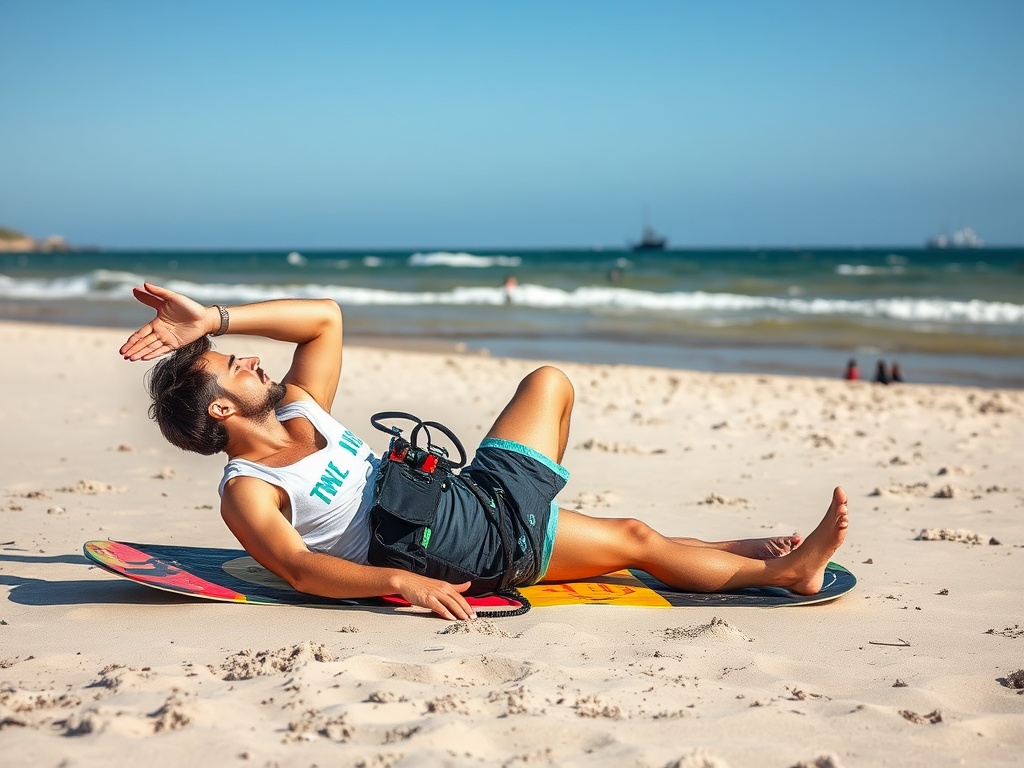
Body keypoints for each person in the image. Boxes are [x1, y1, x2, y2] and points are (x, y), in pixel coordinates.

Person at [119, 282, 850, 621]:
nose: (248, 361)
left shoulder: (301, 406)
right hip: (442, 544)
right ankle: (786, 572)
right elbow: (300, 569)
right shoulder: (248, 488)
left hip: (456, 495)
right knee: (633, 539)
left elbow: (325, 318)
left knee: (550, 384)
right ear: (220, 411)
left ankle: (696, 549)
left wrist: (211, 318)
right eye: (231, 366)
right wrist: (398, 585)